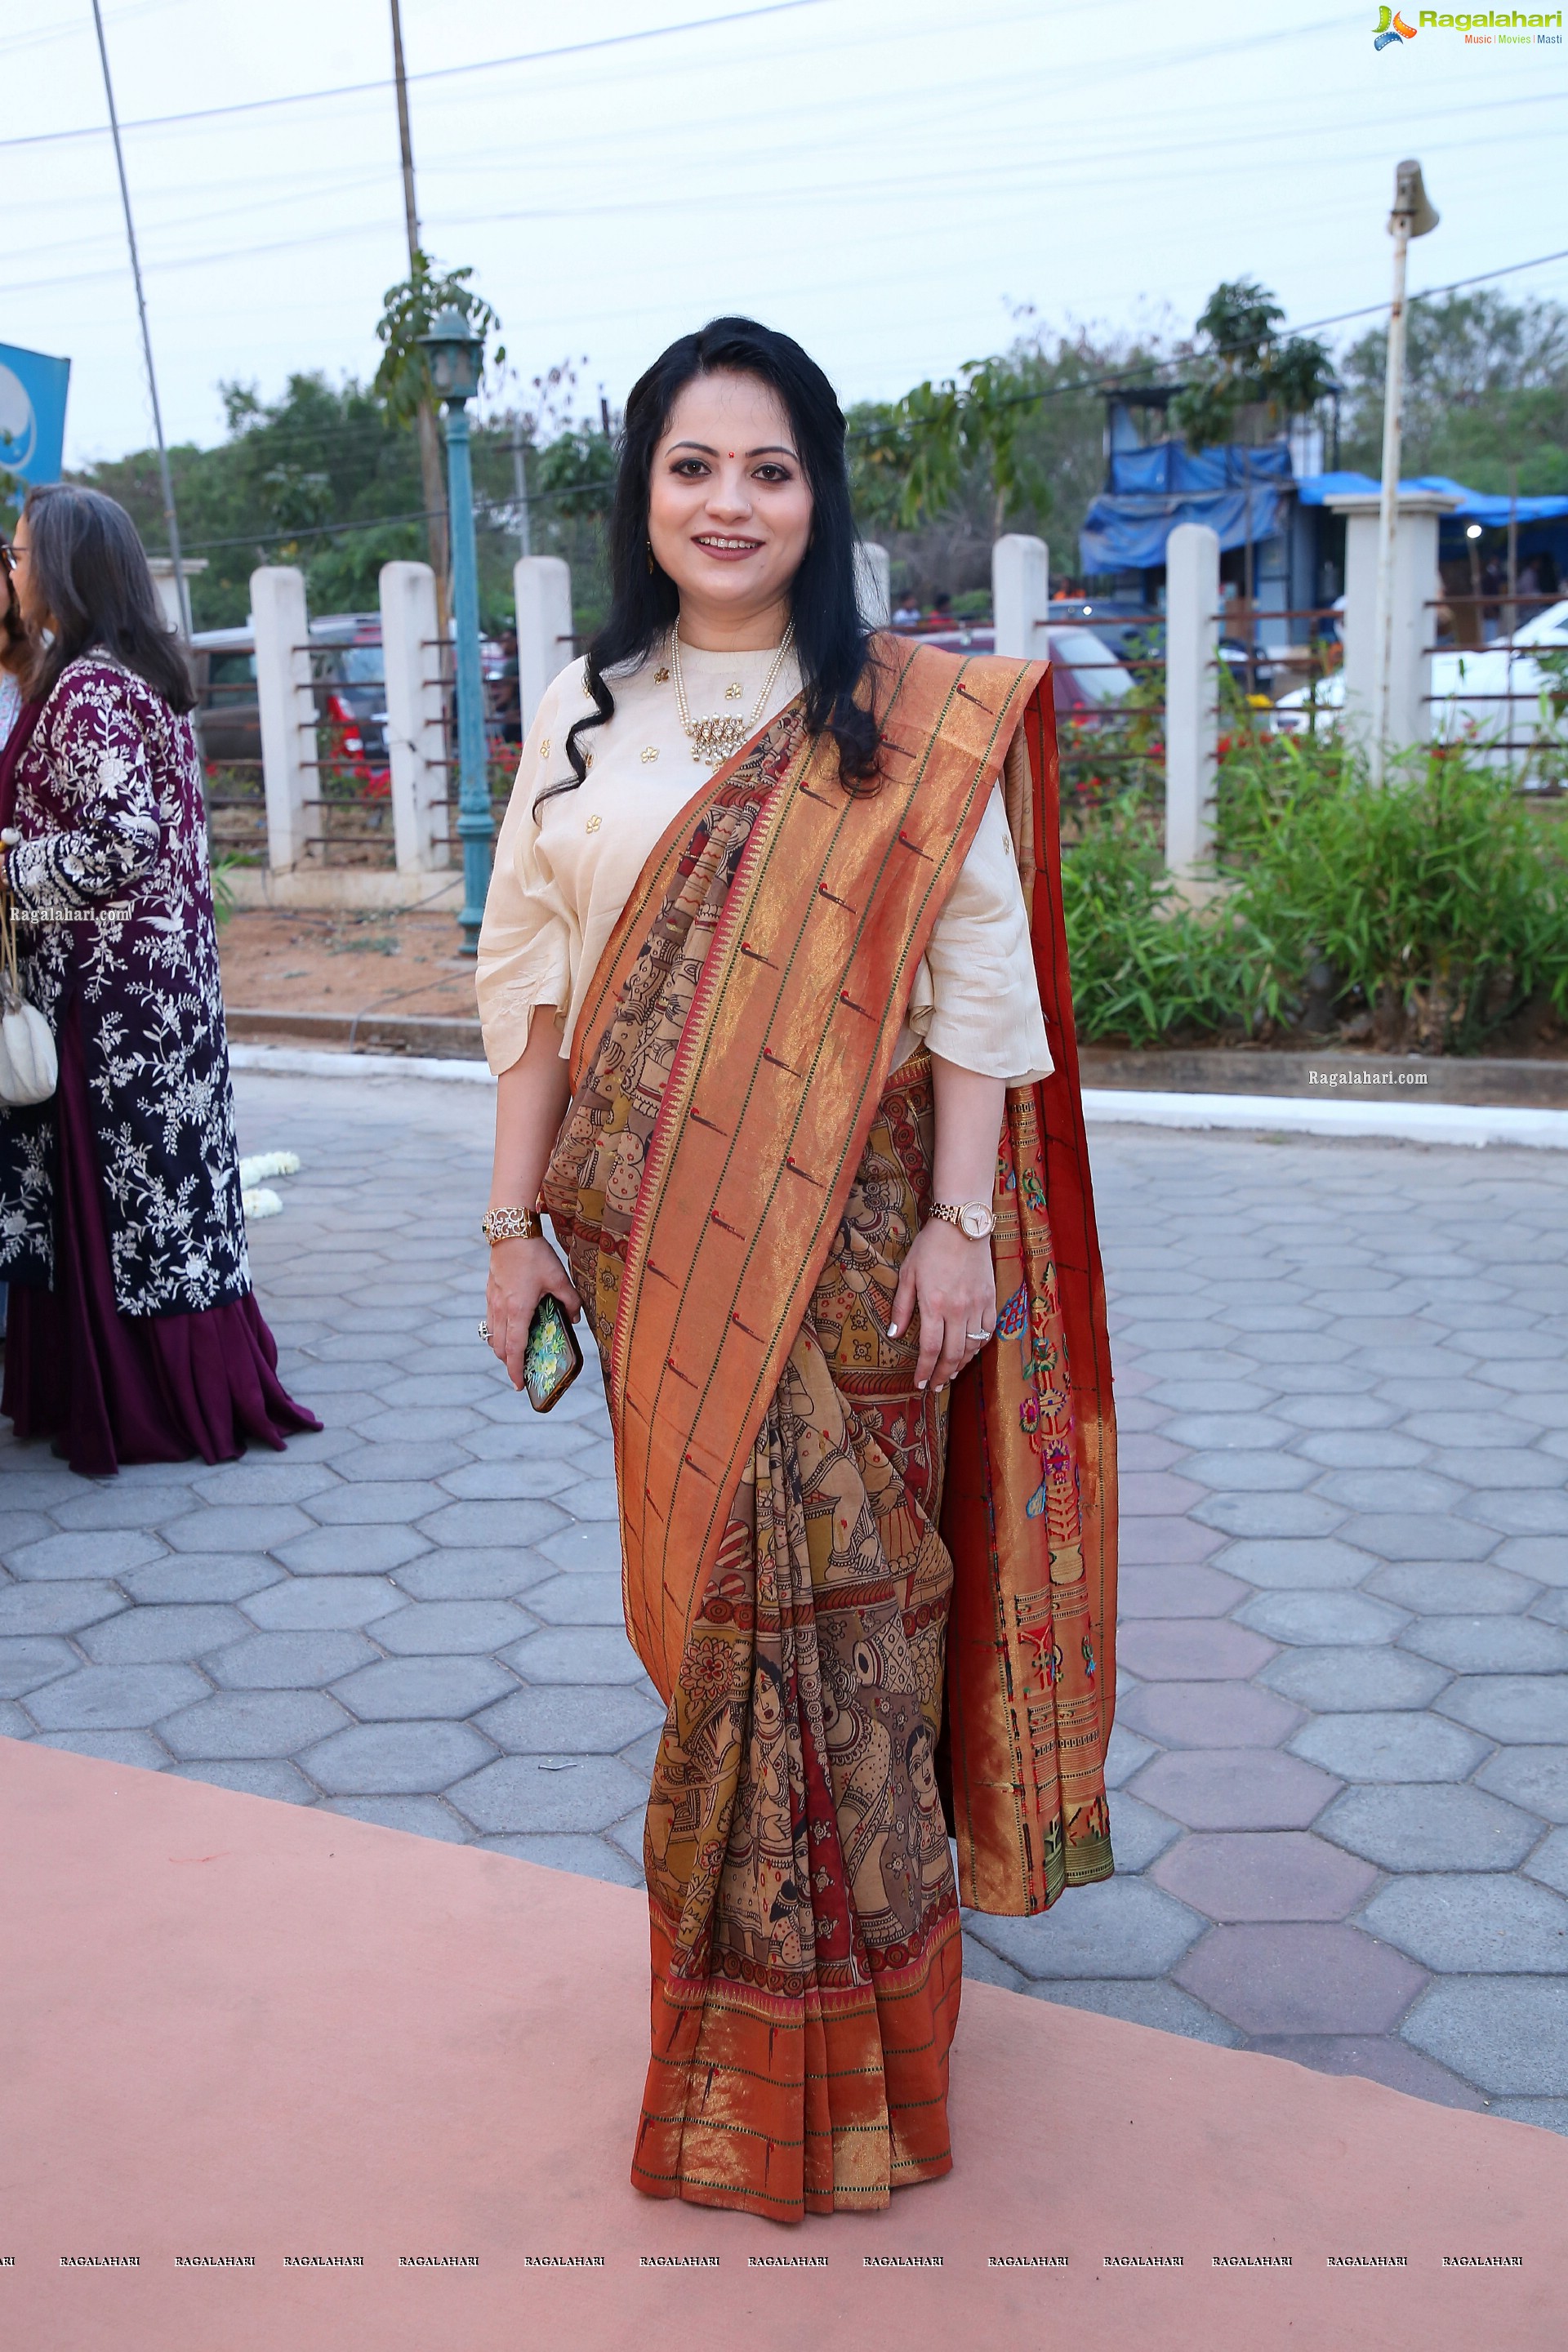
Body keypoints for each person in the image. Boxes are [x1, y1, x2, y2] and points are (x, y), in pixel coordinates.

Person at [475, 318, 1116, 2225]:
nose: (730, 501)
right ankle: (756, 2021)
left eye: (767, 467)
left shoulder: (902, 723)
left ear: (816, 495)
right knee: (712, 1649)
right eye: (692, 466)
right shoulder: (582, 713)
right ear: (643, 494)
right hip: (645, 1248)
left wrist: (961, 1224)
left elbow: (980, 999)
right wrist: (507, 1229)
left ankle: (863, 2055)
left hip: (852, 1258)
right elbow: (525, 993)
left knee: (844, 1635)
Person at [0, 483, 318, 1477]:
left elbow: (124, 843)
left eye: (19, 555)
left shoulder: (92, 688)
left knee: (131, 1200)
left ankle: (148, 1404)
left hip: (111, 1001)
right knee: (169, 1195)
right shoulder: (136, 671)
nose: (12, 572)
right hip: (161, 987)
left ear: (64, 568)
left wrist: (7, 867)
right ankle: (185, 1390)